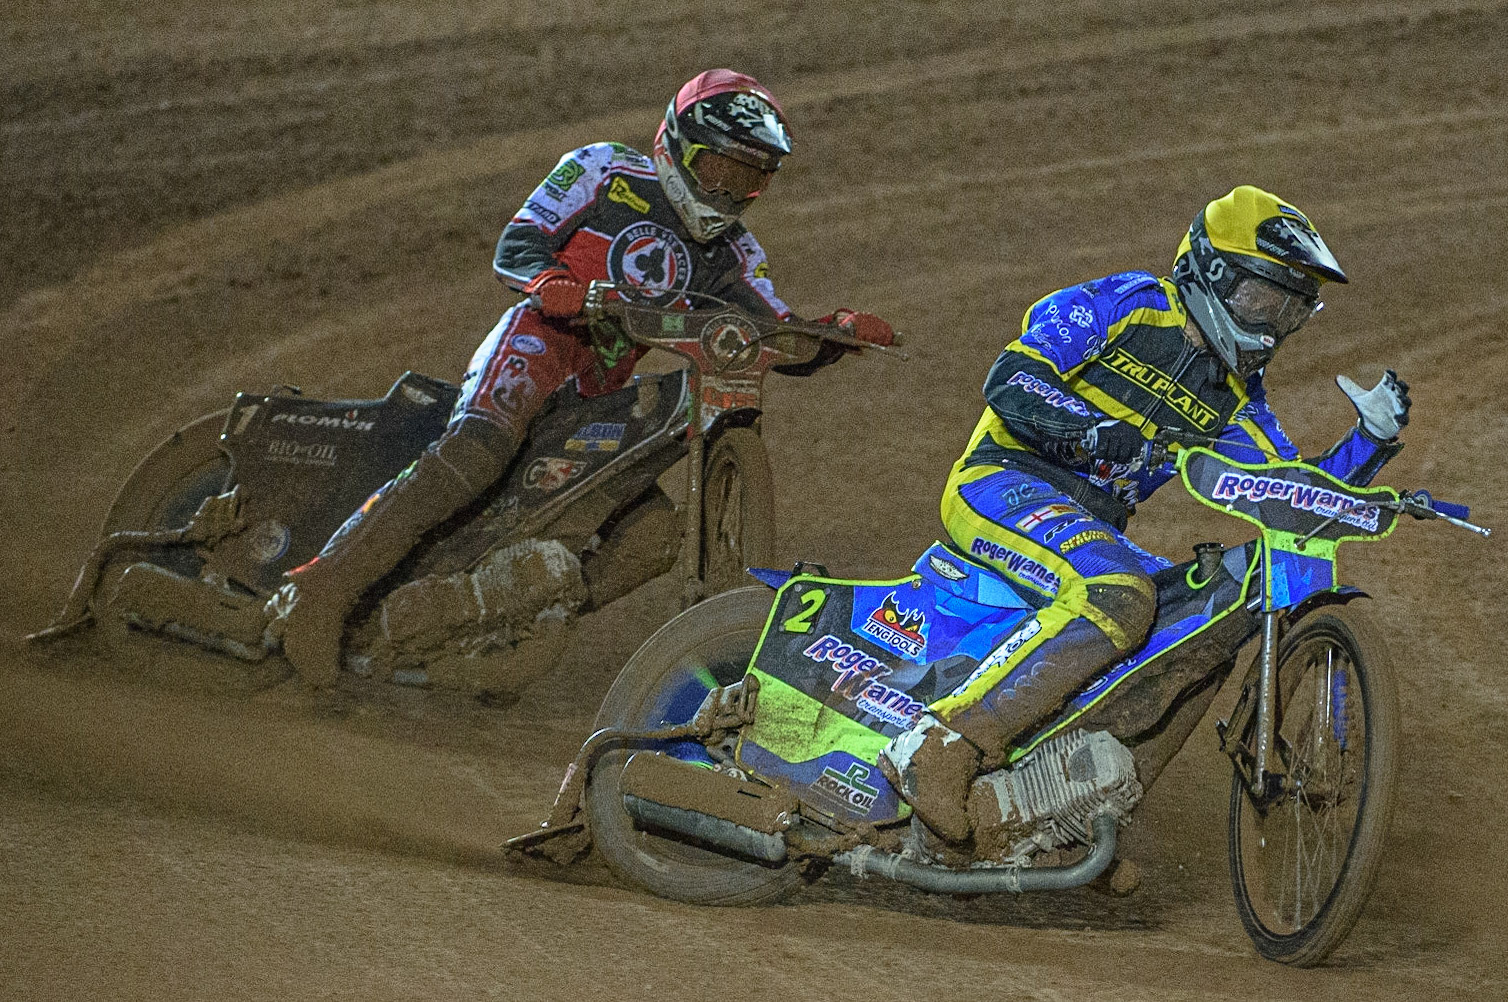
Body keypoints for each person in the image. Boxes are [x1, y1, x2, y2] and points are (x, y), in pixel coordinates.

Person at [278, 69, 895, 684]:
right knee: (478, 448)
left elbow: (772, 332)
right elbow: (518, 243)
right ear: (678, 145)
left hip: (600, 389)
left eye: (749, 181)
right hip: (541, 339)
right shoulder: (603, 171)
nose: (729, 195)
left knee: (654, 536)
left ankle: (494, 627)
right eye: (720, 172)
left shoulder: (736, 255)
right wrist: (550, 283)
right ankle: (323, 595)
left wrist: (834, 332)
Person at [878, 185, 1411, 841]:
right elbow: (1011, 380)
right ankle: (939, 746)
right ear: (1213, 273)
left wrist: (1372, 443)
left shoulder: (1236, 400)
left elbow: (1294, 496)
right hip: (1001, 479)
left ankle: (1074, 815)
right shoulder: (1128, 305)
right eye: (1264, 300)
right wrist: (1094, 432)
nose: (1272, 325)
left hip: (1089, 529)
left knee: (1207, 629)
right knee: (1120, 594)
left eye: (1292, 311)